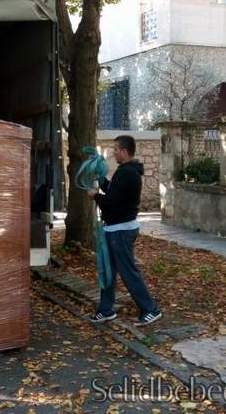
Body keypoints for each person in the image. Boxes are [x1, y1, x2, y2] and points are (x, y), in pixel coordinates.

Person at [86, 135, 162, 327]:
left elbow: (112, 202)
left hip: (121, 230)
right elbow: (114, 191)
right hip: (116, 228)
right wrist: (102, 181)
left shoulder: (127, 173)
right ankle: (106, 310)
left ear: (124, 152)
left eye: (115, 149)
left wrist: (95, 196)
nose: (113, 152)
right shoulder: (126, 172)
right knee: (108, 271)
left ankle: (151, 310)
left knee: (128, 272)